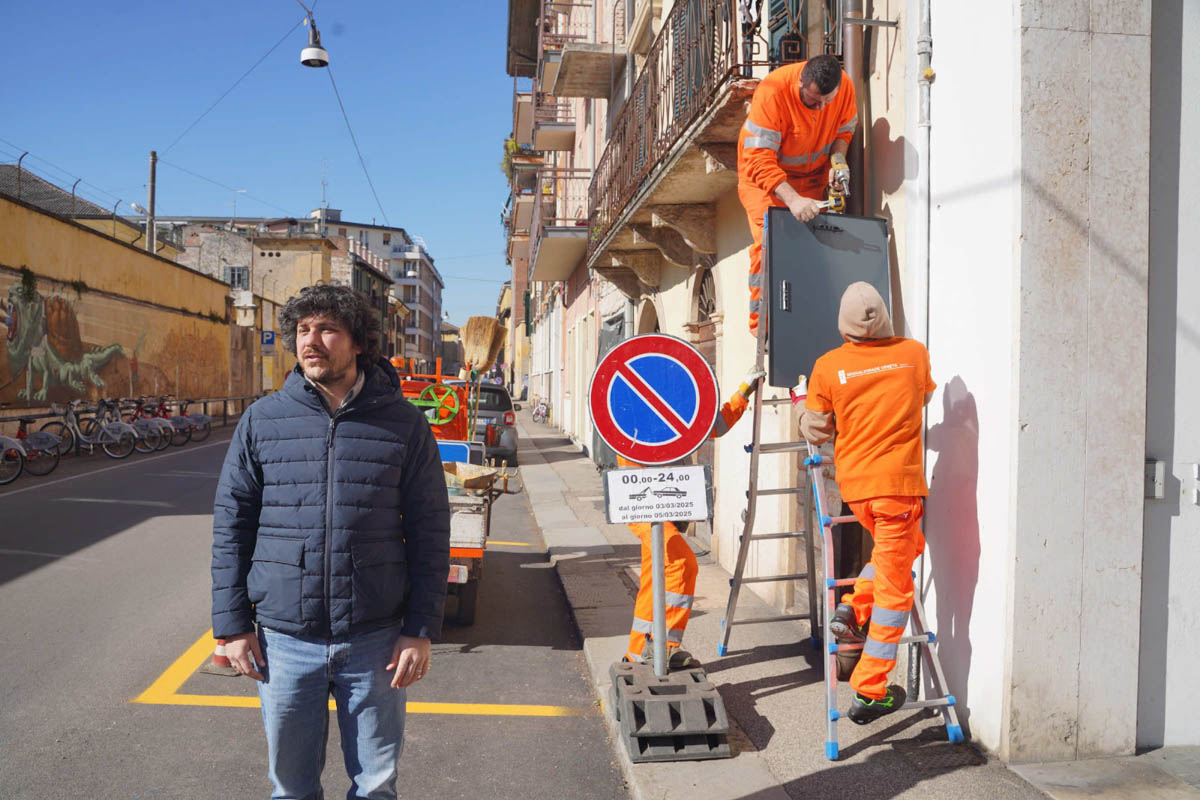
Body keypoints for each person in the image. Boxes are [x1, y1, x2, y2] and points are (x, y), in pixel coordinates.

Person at [212, 284, 450, 799]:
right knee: (291, 788)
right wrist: (232, 626)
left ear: (358, 342)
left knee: (376, 786)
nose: (311, 341)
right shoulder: (263, 420)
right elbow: (232, 525)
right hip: (284, 640)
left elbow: (430, 529)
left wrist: (420, 629)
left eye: (327, 329)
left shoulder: (404, 424)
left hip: (376, 640)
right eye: (303, 330)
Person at [799, 282, 935, 725]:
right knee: (896, 591)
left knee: (903, 551)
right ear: (886, 318)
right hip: (897, 488)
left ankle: (854, 608)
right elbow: (924, 396)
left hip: (857, 489)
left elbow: (817, 429)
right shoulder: (914, 353)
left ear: (843, 326)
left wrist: (803, 409)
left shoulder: (827, 366)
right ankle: (871, 690)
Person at [623, 368, 766, 667]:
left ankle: (636, 655)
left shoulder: (677, 410)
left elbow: (716, 424)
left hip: (665, 509)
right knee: (681, 564)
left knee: (654, 578)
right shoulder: (633, 411)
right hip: (643, 506)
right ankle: (664, 648)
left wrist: (744, 391)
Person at [737, 54, 859, 334]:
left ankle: (811, 319)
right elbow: (759, 160)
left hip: (811, 178)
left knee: (816, 244)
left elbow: (845, 130)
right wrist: (792, 200)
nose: (821, 108)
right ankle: (763, 328)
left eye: (827, 101)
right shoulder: (773, 92)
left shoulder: (845, 87)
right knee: (769, 242)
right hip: (764, 180)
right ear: (800, 82)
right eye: (813, 101)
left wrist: (837, 161)